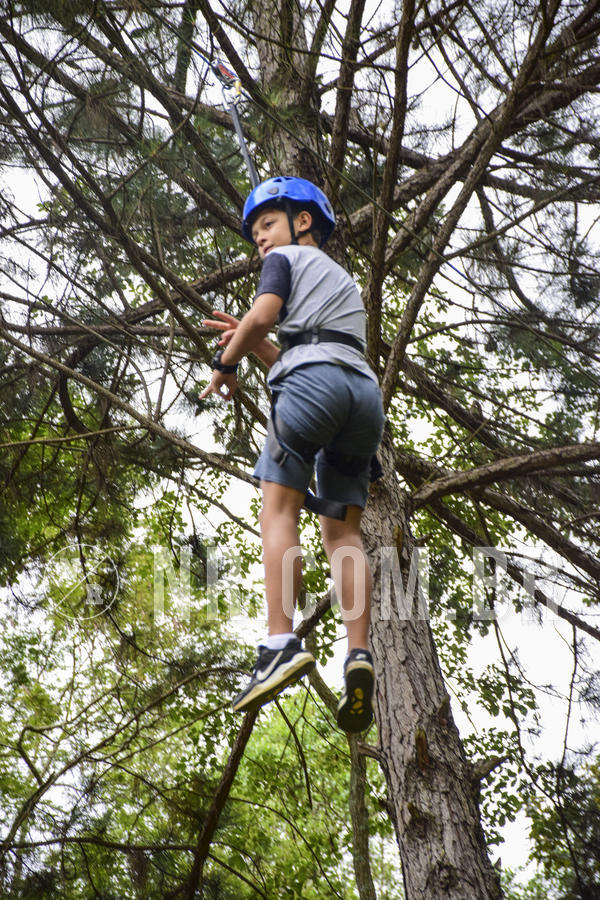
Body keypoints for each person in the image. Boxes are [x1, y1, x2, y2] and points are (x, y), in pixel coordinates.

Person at [200, 176, 385, 732]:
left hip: (314, 386)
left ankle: (280, 642)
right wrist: (253, 344)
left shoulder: (281, 263)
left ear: (303, 222)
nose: (260, 239)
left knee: (278, 510)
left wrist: (228, 361)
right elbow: (303, 348)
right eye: (255, 234)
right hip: (363, 396)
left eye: (267, 225)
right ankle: (359, 653)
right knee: (343, 534)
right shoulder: (342, 282)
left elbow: (265, 314)